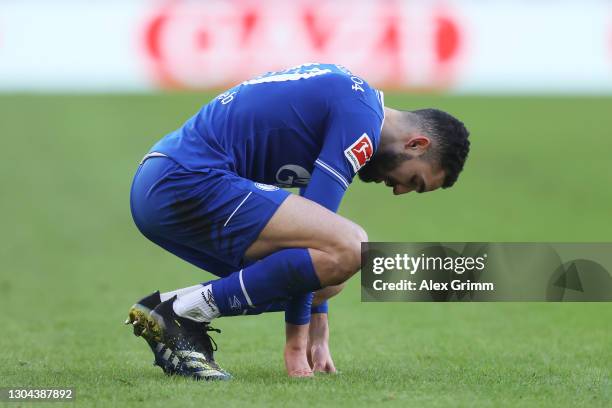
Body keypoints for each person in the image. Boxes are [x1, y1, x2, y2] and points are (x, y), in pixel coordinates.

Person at [126, 63, 470, 380]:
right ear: (417, 144)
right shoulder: (361, 122)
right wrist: (296, 344)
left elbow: (313, 242)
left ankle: (166, 307)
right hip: (186, 179)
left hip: (164, 187)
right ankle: (184, 313)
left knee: (330, 282)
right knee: (354, 248)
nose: (399, 191)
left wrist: (319, 331)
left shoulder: (356, 105)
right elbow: (314, 236)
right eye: (414, 181)